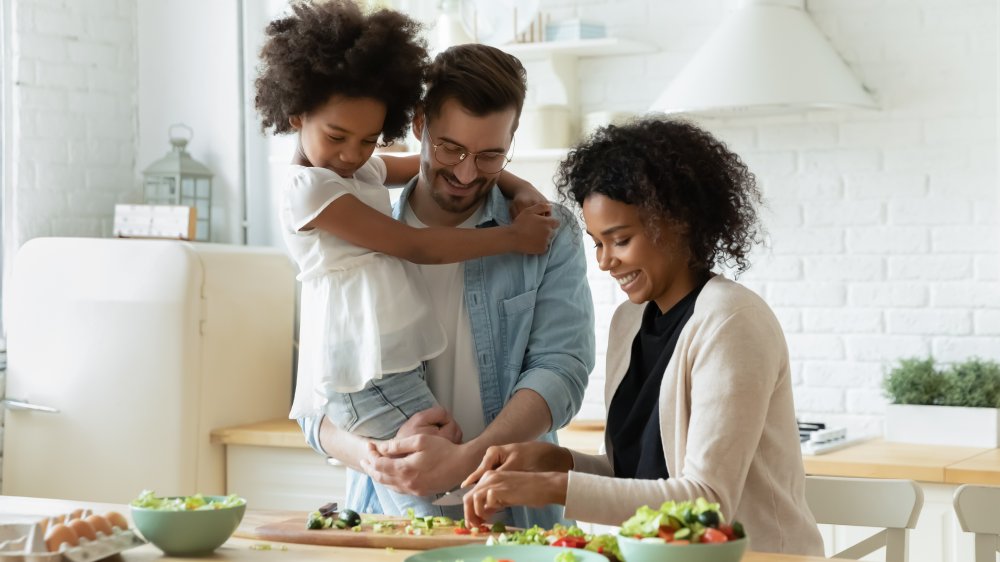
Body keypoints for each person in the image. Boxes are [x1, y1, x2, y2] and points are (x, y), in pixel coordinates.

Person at [458, 118, 826, 555]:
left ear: (679, 222)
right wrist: (553, 461)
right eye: (597, 243)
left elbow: (706, 501)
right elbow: (638, 475)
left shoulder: (731, 322)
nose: (605, 262)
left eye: (620, 240)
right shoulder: (630, 322)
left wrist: (555, 488)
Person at [254, 0, 560, 516]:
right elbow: (413, 245)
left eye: (369, 138)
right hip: (363, 372)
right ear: (296, 114)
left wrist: (520, 185)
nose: (354, 153)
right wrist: (512, 238)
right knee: (431, 495)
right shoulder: (307, 190)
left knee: (435, 486)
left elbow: (420, 167)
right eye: (337, 137)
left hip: (390, 368)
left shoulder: (355, 170)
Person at [297, 42, 596, 529]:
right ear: (419, 126)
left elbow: (562, 371)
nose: (465, 172)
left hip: (518, 518)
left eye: (490, 155)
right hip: (384, 519)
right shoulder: (344, 234)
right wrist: (373, 457)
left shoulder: (546, 233)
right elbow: (316, 401)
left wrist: (468, 459)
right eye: (450, 148)